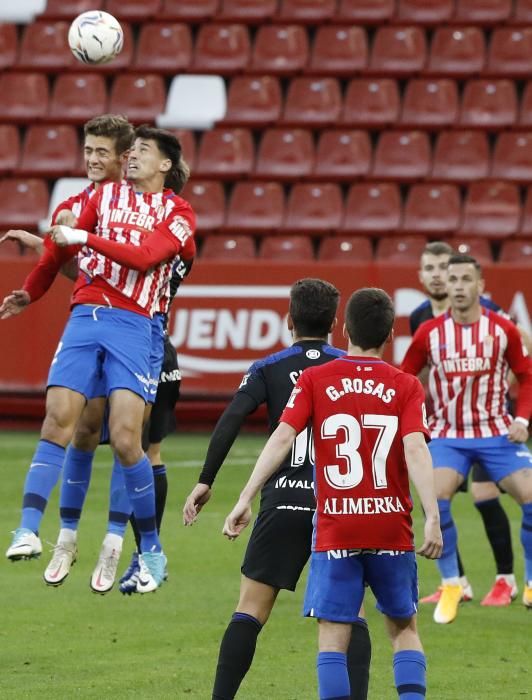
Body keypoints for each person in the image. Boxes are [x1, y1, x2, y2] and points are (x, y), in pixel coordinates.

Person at [3, 125, 196, 593]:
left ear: (165, 164)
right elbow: (61, 247)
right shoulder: (103, 197)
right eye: (128, 152)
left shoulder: (178, 213)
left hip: (139, 325)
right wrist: (31, 291)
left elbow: (147, 257)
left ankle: (138, 545)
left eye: (142, 152)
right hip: (86, 316)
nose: (131, 158)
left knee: (130, 440)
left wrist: (83, 237)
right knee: (63, 422)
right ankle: (36, 529)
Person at [223, 287, 442, 700]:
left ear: (344, 329)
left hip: (337, 528)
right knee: (403, 629)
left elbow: (282, 437)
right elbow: (415, 448)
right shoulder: (406, 386)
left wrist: (246, 496)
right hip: (390, 526)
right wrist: (432, 515)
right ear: (390, 334)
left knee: (332, 637)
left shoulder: (315, 379)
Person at [183, 278, 371, 700]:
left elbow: (231, 417)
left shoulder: (268, 368)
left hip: (284, 496)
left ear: (289, 320)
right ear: (335, 323)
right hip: (340, 506)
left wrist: (206, 480)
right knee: (351, 614)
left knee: (251, 608)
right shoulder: (352, 369)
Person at [401, 253, 532, 624]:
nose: (457, 285)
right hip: (448, 435)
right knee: (434, 498)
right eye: (452, 279)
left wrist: (522, 418)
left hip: (496, 432)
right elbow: (406, 378)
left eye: (464, 279)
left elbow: (527, 376)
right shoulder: (429, 333)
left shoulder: (502, 330)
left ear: (480, 286)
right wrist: (416, 422)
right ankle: (452, 583)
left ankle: (529, 581)